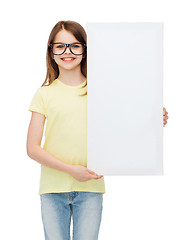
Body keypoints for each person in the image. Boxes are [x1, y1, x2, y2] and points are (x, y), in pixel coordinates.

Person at [26, 20, 169, 240]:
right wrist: (71, 170)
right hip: (53, 189)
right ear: (51, 52)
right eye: (60, 46)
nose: (68, 52)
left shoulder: (102, 90)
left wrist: (152, 119)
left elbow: (124, 124)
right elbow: (32, 148)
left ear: (85, 50)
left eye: (75, 45)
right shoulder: (44, 94)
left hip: (91, 188)